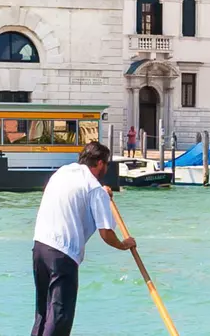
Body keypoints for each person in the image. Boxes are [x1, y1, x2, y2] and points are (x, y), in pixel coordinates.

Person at [31, 141, 135, 336]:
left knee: (43, 312)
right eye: (106, 164)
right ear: (100, 163)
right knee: (60, 315)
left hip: (39, 247)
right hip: (62, 253)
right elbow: (106, 233)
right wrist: (124, 245)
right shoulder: (94, 188)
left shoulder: (63, 172)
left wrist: (102, 194)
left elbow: (78, 196)